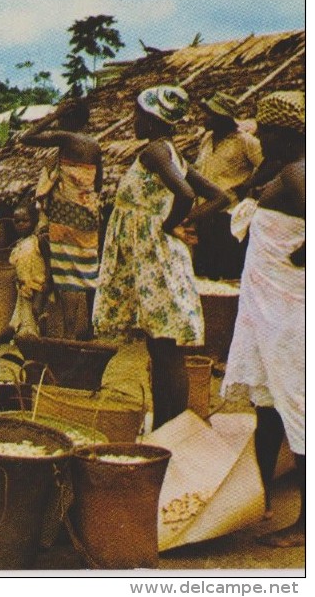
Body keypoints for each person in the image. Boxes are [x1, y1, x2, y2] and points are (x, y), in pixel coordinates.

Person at [92, 85, 228, 430]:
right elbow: (219, 196)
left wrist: (169, 224)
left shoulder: (155, 151)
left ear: (152, 121)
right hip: (157, 257)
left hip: (156, 258)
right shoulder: (173, 154)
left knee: (167, 352)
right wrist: (183, 221)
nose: (134, 120)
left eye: (138, 114)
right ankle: (165, 427)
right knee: (161, 347)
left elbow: (185, 193)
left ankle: (173, 428)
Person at [220, 90, 304, 548]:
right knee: (268, 406)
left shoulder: (298, 175)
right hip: (270, 311)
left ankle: (306, 524)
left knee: (298, 411)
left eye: (265, 131)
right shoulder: (285, 170)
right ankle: (258, 496)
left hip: (290, 314)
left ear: (281, 132)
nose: (260, 138)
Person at [19, 100, 103, 339]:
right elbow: (98, 184)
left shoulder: (67, 138)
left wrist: (52, 116)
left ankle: (68, 335)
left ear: (67, 118)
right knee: (84, 273)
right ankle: (85, 329)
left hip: (67, 217)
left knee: (67, 277)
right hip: (88, 216)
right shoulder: (94, 145)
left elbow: (27, 137)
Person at [192, 91, 264, 280]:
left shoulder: (244, 141)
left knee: (229, 272)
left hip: (228, 216)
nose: (204, 118)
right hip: (205, 213)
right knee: (206, 272)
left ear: (221, 117)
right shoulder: (207, 139)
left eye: (209, 114)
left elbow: (268, 165)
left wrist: (247, 185)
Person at [8, 204, 50, 338]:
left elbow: (49, 263)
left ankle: (40, 336)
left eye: (25, 221)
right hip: (23, 287)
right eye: (17, 221)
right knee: (26, 315)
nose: (20, 224)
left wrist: (47, 283)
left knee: (36, 309)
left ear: (34, 221)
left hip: (38, 285)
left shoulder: (39, 241)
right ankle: (30, 336)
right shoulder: (18, 244)